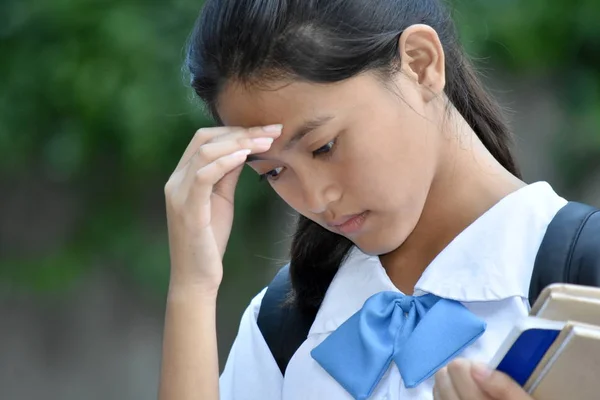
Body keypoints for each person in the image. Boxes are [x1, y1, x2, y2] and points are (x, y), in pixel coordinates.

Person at [158, 0, 569, 399]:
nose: (317, 199)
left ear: (420, 63)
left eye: (324, 147)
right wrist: (192, 290)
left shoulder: (580, 274)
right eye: (274, 172)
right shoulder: (284, 322)